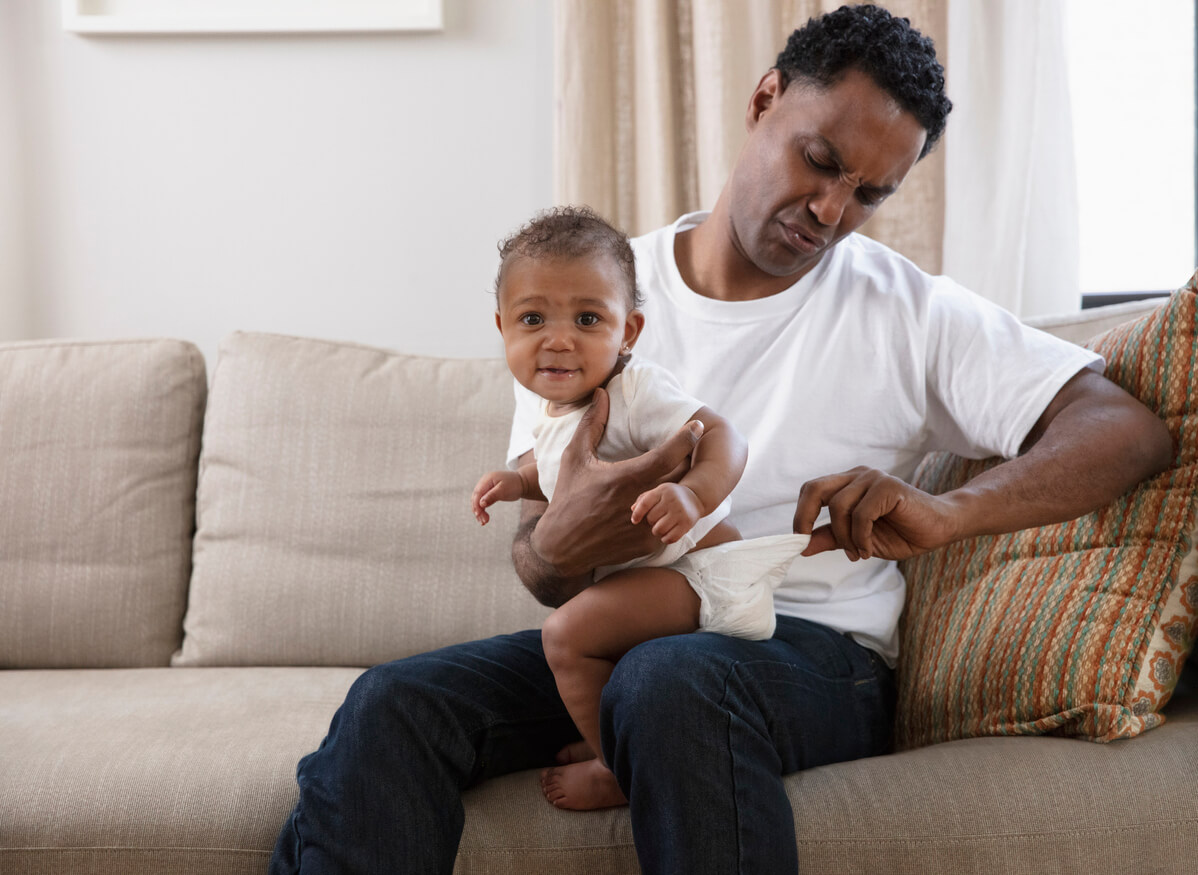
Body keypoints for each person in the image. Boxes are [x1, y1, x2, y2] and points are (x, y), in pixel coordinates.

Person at [270, 5, 1173, 873]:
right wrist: (564, 540)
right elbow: (544, 572)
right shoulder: (596, 300)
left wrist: (948, 510)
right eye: (819, 161)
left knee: (670, 682)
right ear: (763, 100)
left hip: (814, 652)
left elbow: (1123, 430)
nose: (829, 209)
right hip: (638, 635)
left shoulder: (910, 310)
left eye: (867, 194)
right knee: (394, 704)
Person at [471, 206, 810, 811]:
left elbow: (723, 435)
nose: (558, 338)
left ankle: (619, 765)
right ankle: (616, 739)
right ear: (503, 329)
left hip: (702, 574)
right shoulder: (547, 407)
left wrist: (694, 492)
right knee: (583, 641)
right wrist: (516, 482)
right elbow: (556, 475)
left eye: (587, 318)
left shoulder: (634, 390)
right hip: (656, 580)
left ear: (628, 332)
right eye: (532, 318)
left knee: (567, 638)